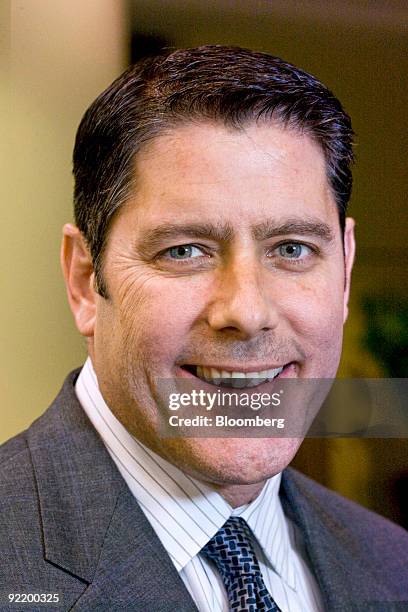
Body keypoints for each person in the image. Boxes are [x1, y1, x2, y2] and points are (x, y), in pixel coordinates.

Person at [1, 45, 407, 612]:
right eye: (184, 250)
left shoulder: (394, 565)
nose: (245, 310)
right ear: (84, 280)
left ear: (344, 273)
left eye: (292, 248)